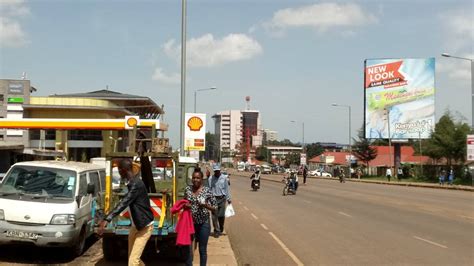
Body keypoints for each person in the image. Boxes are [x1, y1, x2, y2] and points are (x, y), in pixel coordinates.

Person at [98, 159, 154, 266]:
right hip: (136, 227)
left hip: (145, 227)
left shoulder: (136, 184)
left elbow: (124, 202)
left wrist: (107, 219)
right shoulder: (131, 182)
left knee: (132, 262)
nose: (119, 173)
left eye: (119, 170)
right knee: (133, 259)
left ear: (122, 170)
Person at [184, 170, 217, 266]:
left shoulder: (207, 191)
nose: (195, 180)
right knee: (188, 248)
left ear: (202, 179)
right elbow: (185, 202)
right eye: (194, 177)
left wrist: (205, 205)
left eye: (198, 178)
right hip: (190, 223)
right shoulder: (188, 189)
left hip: (204, 224)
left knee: (202, 250)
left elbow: (215, 208)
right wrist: (186, 205)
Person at [208, 165, 231, 237]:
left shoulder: (224, 178)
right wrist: (208, 199)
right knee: (214, 216)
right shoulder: (211, 178)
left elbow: (227, 189)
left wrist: (229, 198)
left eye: (218, 171)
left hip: (222, 199)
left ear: (220, 170)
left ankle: (221, 227)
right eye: (215, 171)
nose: (216, 172)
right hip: (213, 199)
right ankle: (216, 231)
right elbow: (209, 189)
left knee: (221, 216)